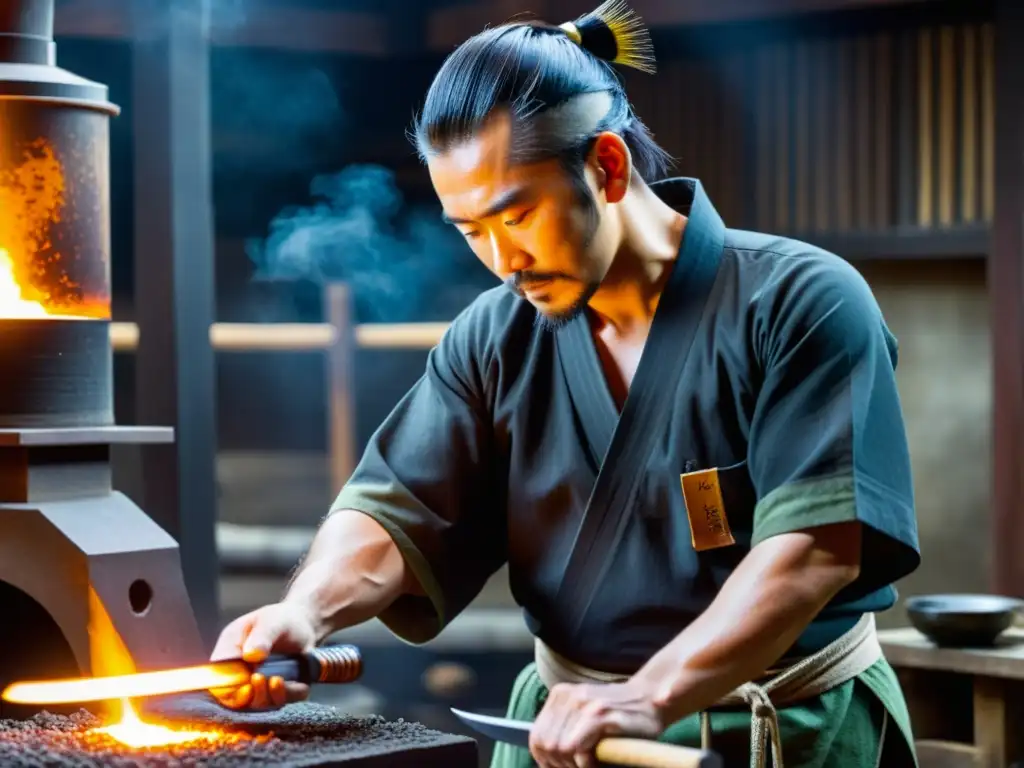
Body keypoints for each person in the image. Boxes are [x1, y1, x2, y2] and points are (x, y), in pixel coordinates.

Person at [211, 1, 921, 766]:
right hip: (563, 735)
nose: (501, 260)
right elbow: (397, 510)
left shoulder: (800, 301)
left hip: (779, 730)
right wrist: (304, 611)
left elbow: (814, 550)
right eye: (472, 231)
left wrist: (647, 695)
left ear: (608, 167)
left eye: (516, 216)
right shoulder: (492, 336)